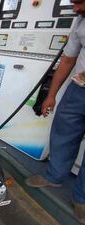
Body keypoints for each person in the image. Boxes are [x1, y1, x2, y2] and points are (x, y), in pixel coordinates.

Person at [25, 1, 85, 223]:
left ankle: (82, 198)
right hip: (78, 88)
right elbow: (68, 59)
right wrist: (51, 95)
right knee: (63, 131)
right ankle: (55, 176)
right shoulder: (80, 22)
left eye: (78, 2)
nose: (75, 8)